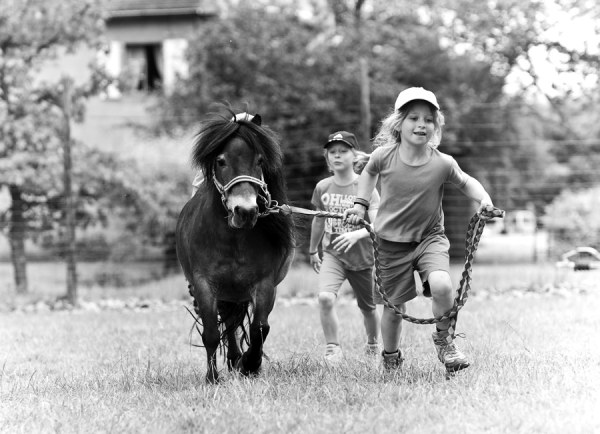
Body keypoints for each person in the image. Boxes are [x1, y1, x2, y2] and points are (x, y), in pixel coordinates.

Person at [344, 87, 494, 373]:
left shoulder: (442, 163)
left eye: (428, 119)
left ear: (436, 126)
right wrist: (360, 205)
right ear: (398, 123)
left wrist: (483, 199)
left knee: (442, 285)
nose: (421, 124)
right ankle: (391, 357)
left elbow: (466, 182)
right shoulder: (383, 156)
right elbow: (368, 173)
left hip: (429, 239)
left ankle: (445, 343)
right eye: (414, 118)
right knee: (393, 309)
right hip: (389, 243)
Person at [309, 131, 381, 365]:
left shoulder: (366, 186)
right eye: (332, 152)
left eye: (343, 151)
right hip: (333, 255)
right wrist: (313, 250)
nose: (337, 156)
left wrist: (357, 235)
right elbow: (318, 220)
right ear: (327, 158)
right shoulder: (322, 187)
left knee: (368, 308)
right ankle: (333, 348)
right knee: (325, 298)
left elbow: (378, 223)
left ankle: (373, 344)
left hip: (363, 258)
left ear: (354, 155)